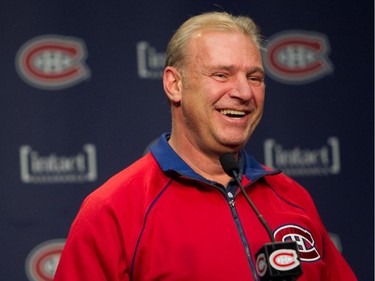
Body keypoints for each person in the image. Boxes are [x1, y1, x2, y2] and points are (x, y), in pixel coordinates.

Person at [54, 11, 357, 281]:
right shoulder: (113, 210)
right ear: (175, 85)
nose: (243, 92)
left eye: (255, 77)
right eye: (221, 74)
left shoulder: (292, 197)